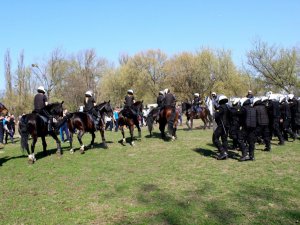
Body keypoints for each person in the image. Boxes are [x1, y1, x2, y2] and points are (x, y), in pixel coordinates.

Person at [213, 95, 230, 160]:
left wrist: (216, 111)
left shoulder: (220, 108)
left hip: (221, 125)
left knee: (215, 138)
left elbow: (216, 116)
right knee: (224, 140)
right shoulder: (228, 107)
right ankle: (226, 153)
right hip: (227, 126)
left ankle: (223, 152)